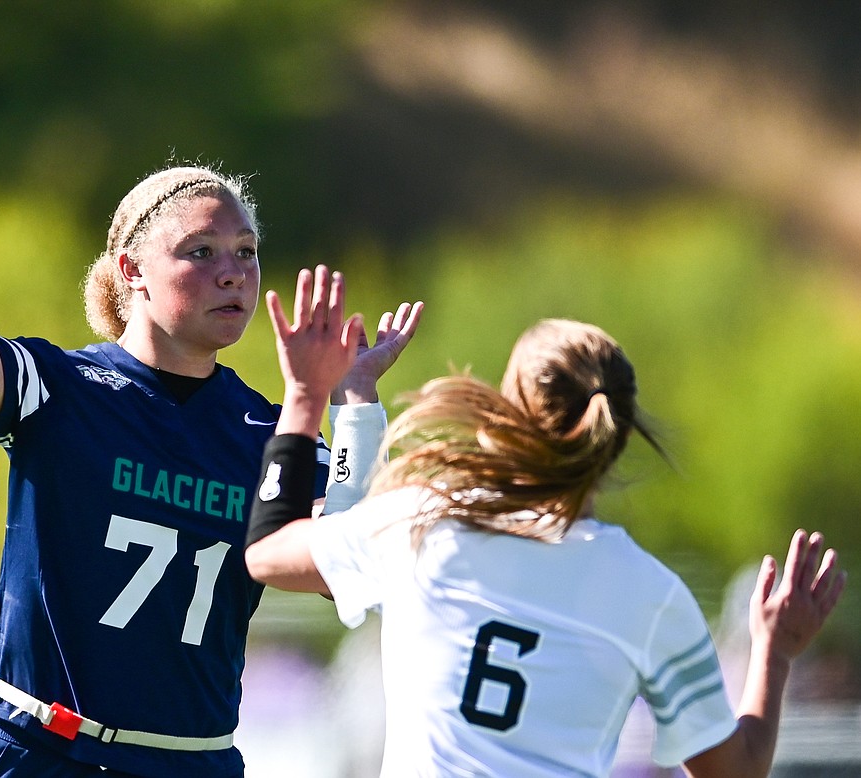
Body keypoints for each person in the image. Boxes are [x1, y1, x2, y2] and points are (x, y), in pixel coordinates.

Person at [0, 105, 422, 777]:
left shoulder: (267, 434)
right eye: (201, 252)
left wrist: (354, 405)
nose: (234, 272)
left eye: (247, 252)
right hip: (38, 748)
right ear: (131, 269)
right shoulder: (63, 388)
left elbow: (345, 568)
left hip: (189, 763)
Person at [244, 286, 847, 778]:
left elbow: (271, 553)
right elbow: (733, 773)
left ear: (507, 416)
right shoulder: (650, 591)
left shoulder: (425, 521)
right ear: (618, 433)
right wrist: (774, 650)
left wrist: (310, 396)